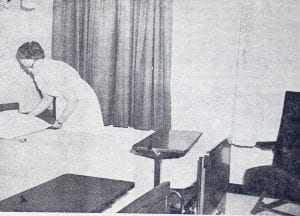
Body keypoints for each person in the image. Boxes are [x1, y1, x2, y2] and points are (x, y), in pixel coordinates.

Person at [16, 41, 104, 134]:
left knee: (82, 133)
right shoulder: (38, 73)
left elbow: (73, 100)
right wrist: (27, 118)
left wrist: (60, 121)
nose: (29, 70)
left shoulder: (53, 70)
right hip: (66, 101)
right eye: (26, 68)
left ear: (35, 58)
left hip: (81, 100)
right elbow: (47, 99)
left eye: (31, 66)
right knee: (68, 133)